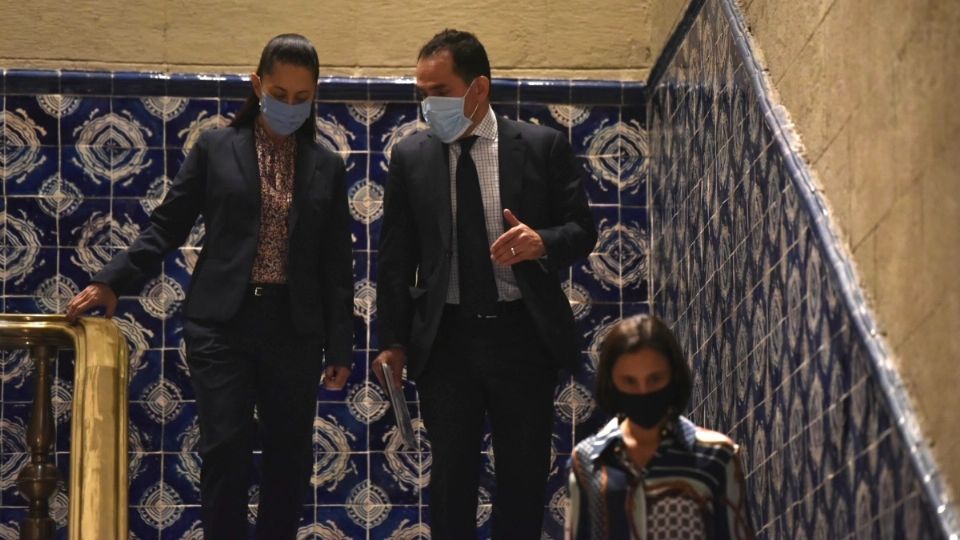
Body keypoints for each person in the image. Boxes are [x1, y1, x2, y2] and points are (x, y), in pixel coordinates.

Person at [64, 34, 353, 540]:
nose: (289, 106)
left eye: (301, 98)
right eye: (279, 94)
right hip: (223, 325)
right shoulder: (217, 146)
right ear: (257, 84)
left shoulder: (327, 166)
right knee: (225, 449)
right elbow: (166, 226)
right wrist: (112, 282)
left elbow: (337, 265)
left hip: (295, 329)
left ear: (315, 96)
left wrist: (341, 344)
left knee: (288, 457)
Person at [372, 28, 597, 540]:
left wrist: (541, 241)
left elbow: (583, 230)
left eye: (441, 92)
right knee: (451, 481)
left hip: (522, 334)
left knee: (521, 478)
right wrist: (393, 341)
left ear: (479, 89)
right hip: (446, 340)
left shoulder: (540, 146)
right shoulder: (412, 157)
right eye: (422, 93)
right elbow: (395, 258)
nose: (429, 106)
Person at [565, 315, 754, 539]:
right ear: (611, 383)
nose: (643, 392)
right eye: (629, 381)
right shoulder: (587, 462)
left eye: (655, 379)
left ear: (673, 377)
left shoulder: (717, 456)